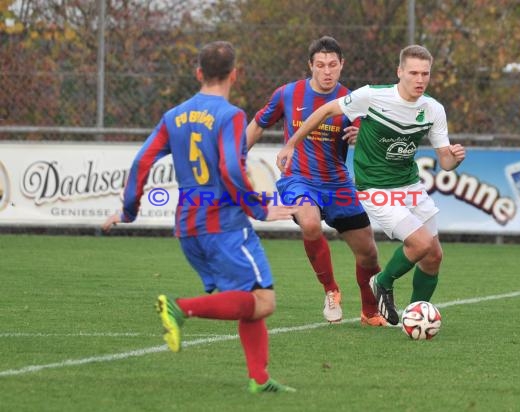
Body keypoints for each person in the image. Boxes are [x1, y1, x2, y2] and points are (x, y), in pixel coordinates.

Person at [102, 41, 297, 393]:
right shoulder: (231, 115)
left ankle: (259, 379)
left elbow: (141, 162)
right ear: (234, 75)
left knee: (250, 300)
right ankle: (180, 309)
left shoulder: (173, 115)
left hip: (188, 227)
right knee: (264, 300)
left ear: (198, 74)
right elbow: (230, 169)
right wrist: (260, 209)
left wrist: (129, 211)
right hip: (224, 225)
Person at [276, 44, 466, 326]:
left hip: (410, 185)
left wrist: (454, 159)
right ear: (399, 72)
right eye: (413, 72)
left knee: (434, 255)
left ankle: (414, 318)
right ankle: (382, 281)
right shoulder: (372, 96)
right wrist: (292, 143)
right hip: (376, 189)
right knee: (421, 243)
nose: (420, 79)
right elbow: (326, 111)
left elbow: (445, 161)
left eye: (425, 73)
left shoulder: (433, 109)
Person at [246, 36, 385, 326]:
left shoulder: (352, 98)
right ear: (310, 66)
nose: (327, 71)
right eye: (320, 65)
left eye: (333, 65)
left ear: (342, 65)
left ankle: (370, 312)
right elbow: (259, 124)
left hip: (338, 185)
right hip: (299, 179)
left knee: (369, 254)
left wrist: (363, 136)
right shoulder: (287, 94)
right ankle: (331, 290)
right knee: (309, 223)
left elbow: (370, 135)